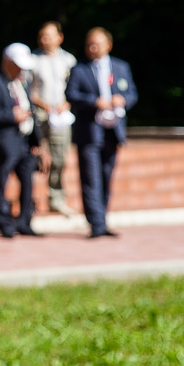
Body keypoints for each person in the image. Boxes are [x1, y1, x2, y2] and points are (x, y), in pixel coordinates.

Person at [66, 27, 137, 239]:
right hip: (89, 132)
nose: (92, 47)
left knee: (106, 176)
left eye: (96, 43)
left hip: (112, 131)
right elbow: (71, 94)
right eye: (89, 43)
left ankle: (102, 219)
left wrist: (122, 99)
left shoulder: (121, 67)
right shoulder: (79, 69)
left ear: (108, 45)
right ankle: (96, 223)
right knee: (91, 178)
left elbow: (132, 93)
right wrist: (95, 102)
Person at [0, 43, 44, 238]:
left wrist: (37, 142)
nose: (20, 69)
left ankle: (24, 221)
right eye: (17, 65)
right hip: (5, 140)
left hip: (25, 141)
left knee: (27, 182)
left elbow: (31, 110)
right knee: (2, 181)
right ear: (7, 62)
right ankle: (4, 223)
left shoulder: (23, 82)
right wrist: (11, 116)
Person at [29, 21, 77, 216]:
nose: (45, 39)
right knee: (32, 158)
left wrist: (67, 104)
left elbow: (75, 88)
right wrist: (43, 104)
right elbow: (28, 90)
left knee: (59, 158)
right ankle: (28, 200)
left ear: (60, 37)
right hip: (38, 114)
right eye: (42, 35)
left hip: (60, 116)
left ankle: (56, 198)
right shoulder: (33, 60)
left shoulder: (69, 60)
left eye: (49, 35)